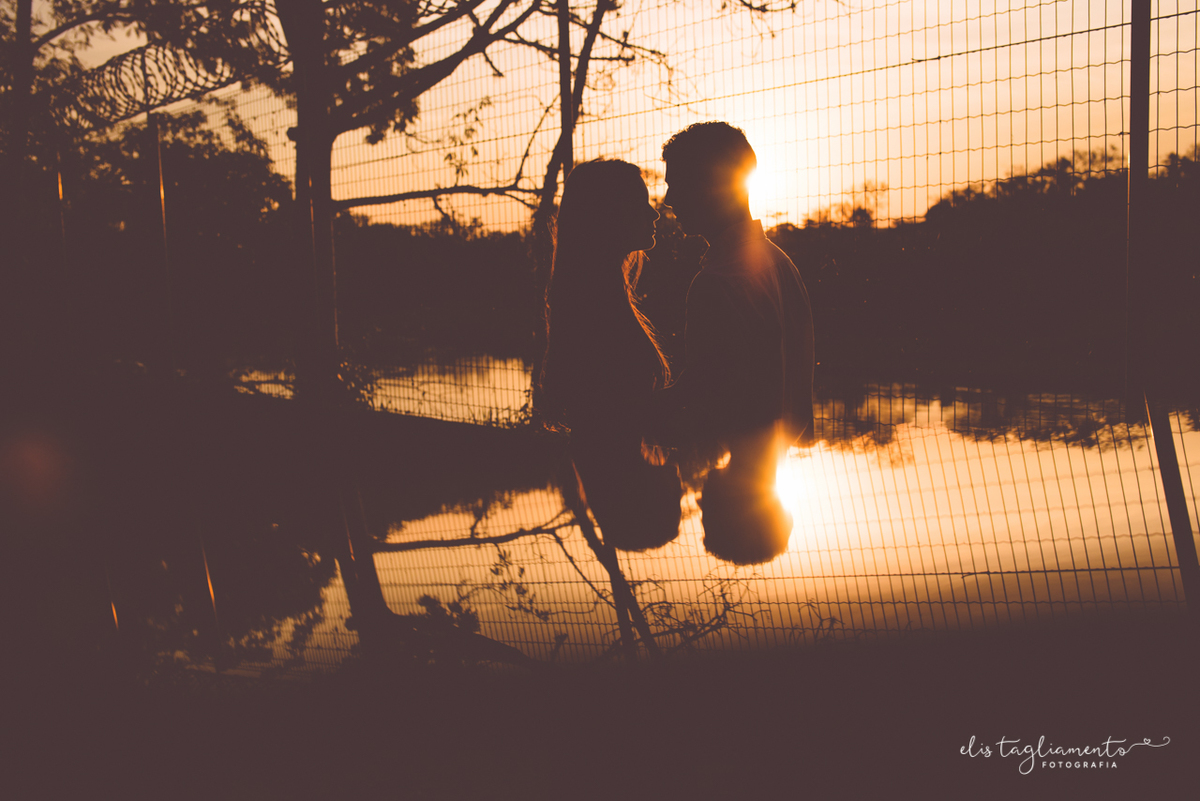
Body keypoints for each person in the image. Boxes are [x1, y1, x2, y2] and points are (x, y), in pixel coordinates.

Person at [657, 122, 815, 565]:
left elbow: (708, 391)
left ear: (710, 185)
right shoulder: (781, 265)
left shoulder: (717, 282)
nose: (669, 202)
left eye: (678, 185)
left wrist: (642, 414)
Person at [537, 159, 683, 552]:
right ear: (608, 215)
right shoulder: (596, 310)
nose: (654, 212)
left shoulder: (594, 297)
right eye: (640, 202)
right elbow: (615, 419)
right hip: (622, 489)